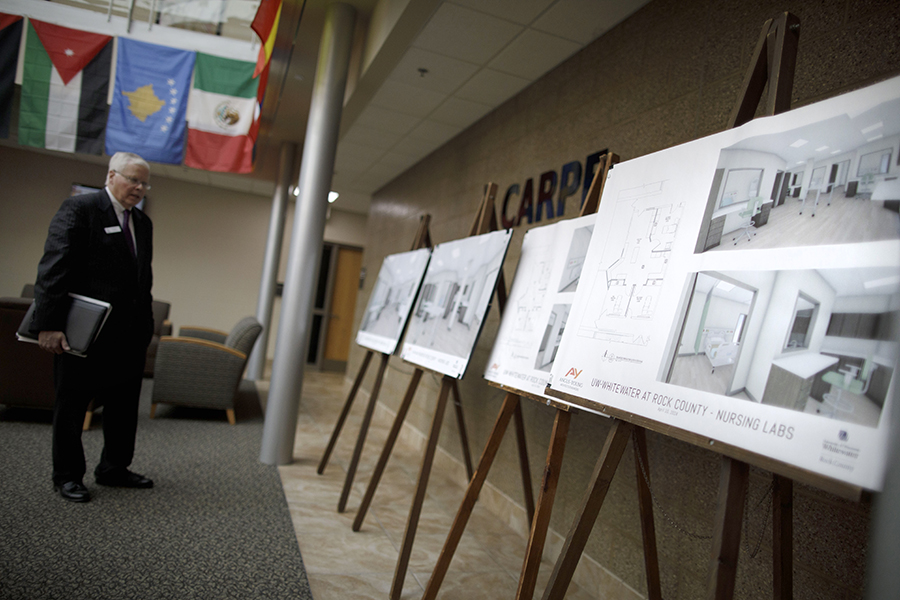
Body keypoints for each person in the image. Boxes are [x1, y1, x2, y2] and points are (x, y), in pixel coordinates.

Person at [31, 152, 155, 502]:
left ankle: (114, 467)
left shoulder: (142, 223)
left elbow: (141, 280)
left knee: (123, 406)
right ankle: (67, 476)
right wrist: (49, 324)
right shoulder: (80, 210)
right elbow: (53, 269)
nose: (139, 188)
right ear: (112, 175)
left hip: (129, 336)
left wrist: (146, 327)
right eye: (133, 180)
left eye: (144, 183)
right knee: (71, 406)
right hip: (82, 333)